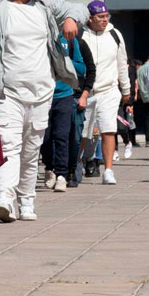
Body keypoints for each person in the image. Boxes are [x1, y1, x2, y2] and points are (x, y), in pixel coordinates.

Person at [0, 0, 82, 222]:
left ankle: (26, 201)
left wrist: (71, 18)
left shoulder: (45, 5)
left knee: (31, 150)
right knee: (9, 146)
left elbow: (79, 9)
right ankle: (4, 199)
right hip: (6, 93)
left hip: (42, 92)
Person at [78, 0, 129, 185]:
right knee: (82, 132)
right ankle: (76, 166)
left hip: (109, 90)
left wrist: (126, 89)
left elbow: (121, 63)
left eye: (107, 16)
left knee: (108, 130)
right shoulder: (81, 34)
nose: (105, 20)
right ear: (90, 18)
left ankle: (108, 170)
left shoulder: (115, 34)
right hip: (86, 91)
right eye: (100, 17)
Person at [42, 29, 95, 191]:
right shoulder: (37, 36)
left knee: (63, 136)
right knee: (44, 137)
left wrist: (62, 61)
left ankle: (62, 175)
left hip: (65, 94)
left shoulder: (70, 41)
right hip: (42, 95)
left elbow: (82, 69)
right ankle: (49, 167)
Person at [136, 55, 149, 147]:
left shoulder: (139, 70)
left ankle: (147, 140)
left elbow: (140, 84)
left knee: (147, 118)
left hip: (144, 97)